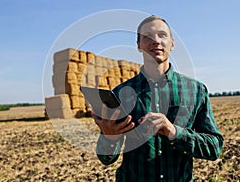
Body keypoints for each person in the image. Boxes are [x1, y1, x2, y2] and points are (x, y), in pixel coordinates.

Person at [91, 15, 224, 181]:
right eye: (147, 36)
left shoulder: (196, 90)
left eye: (162, 35)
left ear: (172, 43)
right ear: (139, 45)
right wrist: (109, 137)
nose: (156, 41)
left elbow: (214, 148)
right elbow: (106, 159)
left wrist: (174, 131)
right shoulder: (120, 93)